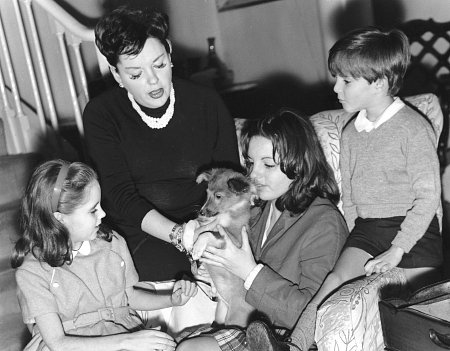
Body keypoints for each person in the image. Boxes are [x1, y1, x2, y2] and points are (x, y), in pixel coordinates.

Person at [248, 27, 443, 351]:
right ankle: (293, 347)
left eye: (346, 80)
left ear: (378, 83)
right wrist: (354, 235)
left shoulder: (413, 129)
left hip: (415, 234)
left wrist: (398, 249)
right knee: (333, 282)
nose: (336, 87)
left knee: (416, 316)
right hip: (368, 230)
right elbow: (350, 195)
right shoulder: (352, 131)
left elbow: (428, 197)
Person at [83, 6, 240, 281]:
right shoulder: (101, 115)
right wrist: (181, 235)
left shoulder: (206, 103)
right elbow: (121, 198)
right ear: (117, 74)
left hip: (208, 223)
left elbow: (231, 183)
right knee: (180, 281)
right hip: (141, 234)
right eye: (135, 74)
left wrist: (210, 231)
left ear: (169, 51)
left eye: (159, 64)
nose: (153, 80)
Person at [176, 109, 348, 351]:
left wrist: (250, 272)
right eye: (249, 162)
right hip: (243, 324)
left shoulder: (324, 223)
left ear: (299, 164)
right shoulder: (257, 211)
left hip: (280, 338)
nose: (253, 175)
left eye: (268, 164)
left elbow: (315, 314)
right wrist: (211, 268)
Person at [11, 160, 198, 351]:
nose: (103, 213)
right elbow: (58, 343)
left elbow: (129, 297)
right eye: (93, 210)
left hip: (121, 333)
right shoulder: (33, 271)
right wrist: (126, 342)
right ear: (60, 218)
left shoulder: (112, 244)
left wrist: (170, 299)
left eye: (100, 205)